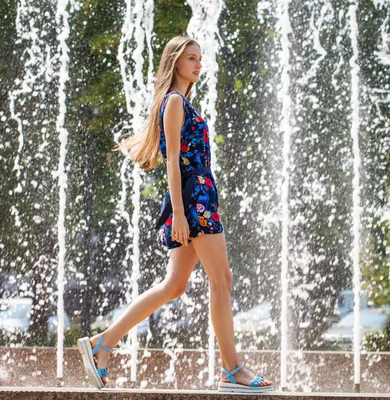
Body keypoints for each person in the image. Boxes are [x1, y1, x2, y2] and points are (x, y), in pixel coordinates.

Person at [77, 35, 273, 393]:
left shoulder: (183, 103)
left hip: (199, 198)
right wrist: (180, 214)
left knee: (175, 286)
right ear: (175, 63)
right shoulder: (174, 103)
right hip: (194, 202)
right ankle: (233, 370)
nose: (198, 64)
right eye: (191, 58)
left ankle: (102, 344)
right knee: (222, 281)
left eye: (200, 58)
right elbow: (171, 162)